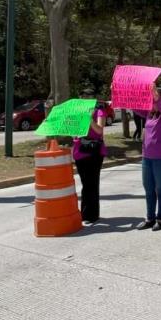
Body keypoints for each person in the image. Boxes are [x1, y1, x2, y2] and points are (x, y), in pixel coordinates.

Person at [132, 85, 161, 231]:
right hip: (147, 158)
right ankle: (149, 218)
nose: (150, 102)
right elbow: (134, 106)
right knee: (149, 188)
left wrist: (155, 95)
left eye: (153, 99)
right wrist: (119, 92)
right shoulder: (150, 114)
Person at [72, 90, 107, 226]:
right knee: (85, 183)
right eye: (82, 96)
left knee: (91, 183)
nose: (84, 98)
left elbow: (99, 130)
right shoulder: (77, 111)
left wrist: (89, 118)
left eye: (88, 96)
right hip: (79, 150)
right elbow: (73, 130)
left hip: (94, 152)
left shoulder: (99, 111)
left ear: (93, 98)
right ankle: (86, 213)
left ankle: (91, 215)